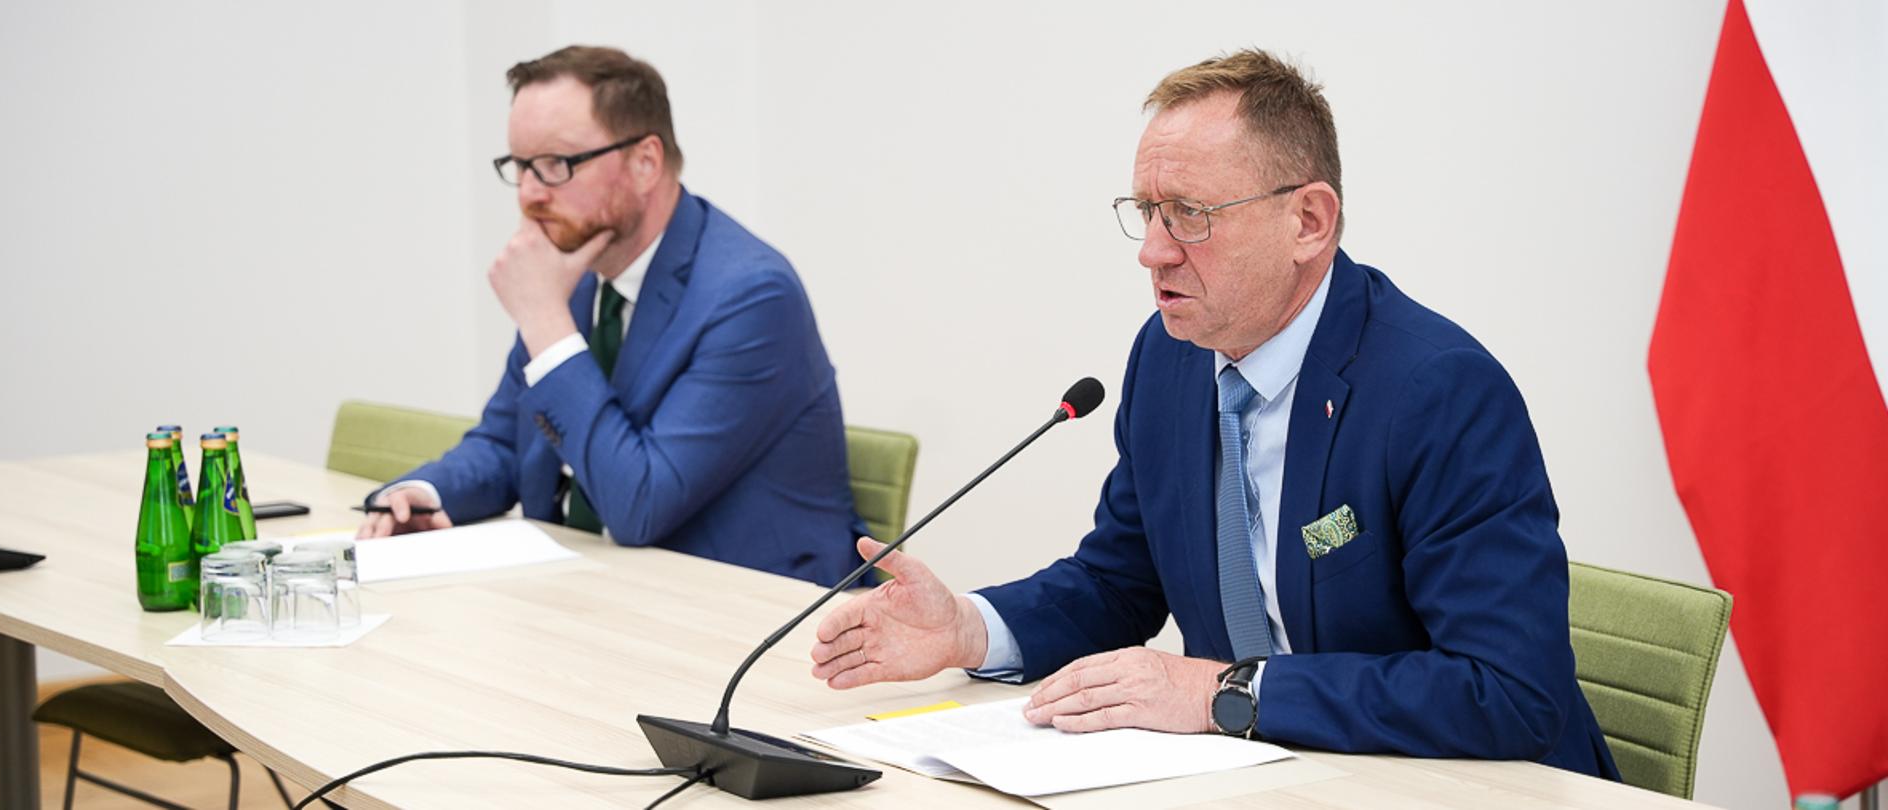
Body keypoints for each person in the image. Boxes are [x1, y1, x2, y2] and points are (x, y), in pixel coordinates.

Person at [808, 49, 1620, 778]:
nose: (1153, 251)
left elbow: (1508, 691)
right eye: (1147, 210)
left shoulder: (1437, 392)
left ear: (1308, 221)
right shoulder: (1169, 359)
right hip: (1273, 778)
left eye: (1190, 214)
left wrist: (1224, 693)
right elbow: (1118, 582)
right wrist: (972, 631)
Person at [358, 45, 863, 588]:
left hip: (754, 619)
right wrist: (421, 494)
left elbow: (640, 504)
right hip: (601, 594)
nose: (529, 194)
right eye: (520, 166)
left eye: (557, 164)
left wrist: (545, 321)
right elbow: (509, 440)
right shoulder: (574, 275)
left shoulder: (752, 296)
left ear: (645, 162)